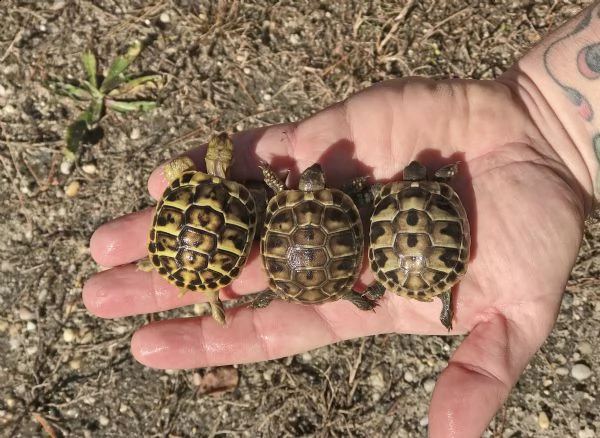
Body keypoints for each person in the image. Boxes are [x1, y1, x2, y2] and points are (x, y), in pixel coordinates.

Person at [83, 3, 599, 437]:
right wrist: (550, 126)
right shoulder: (334, 199)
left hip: (327, 256)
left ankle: (231, 291)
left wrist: (549, 127)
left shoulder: (296, 201)